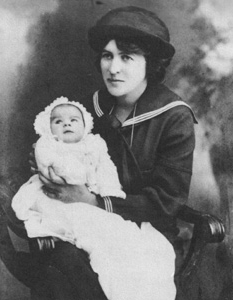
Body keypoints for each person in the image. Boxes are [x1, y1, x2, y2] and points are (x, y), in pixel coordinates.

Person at [30, 5, 197, 300]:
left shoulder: (174, 118)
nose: (113, 68)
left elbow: (167, 202)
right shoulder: (88, 108)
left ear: (151, 64)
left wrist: (93, 200)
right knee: (55, 259)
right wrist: (48, 161)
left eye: (127, 57)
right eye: (107, 56)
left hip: (148, 229)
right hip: (83, 220)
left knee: (84, 268)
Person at [13, 96, 176, 300]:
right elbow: (59, 173)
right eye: (58, 121)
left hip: (92, 199)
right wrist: (81, 173)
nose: (67, 124)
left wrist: (110, 192)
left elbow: (107, 170)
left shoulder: (94, 145)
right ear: (48, 128)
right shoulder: (47, 146)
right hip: (61, 200)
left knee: (132, 240)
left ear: (85, 125)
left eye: (74, 120)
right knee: (90, 235)